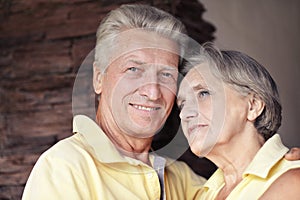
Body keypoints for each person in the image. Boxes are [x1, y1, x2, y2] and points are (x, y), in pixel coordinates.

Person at [22, 4, 300, 200]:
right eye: (134, 69)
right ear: (98, 78)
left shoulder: (188, 183)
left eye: (166, 74)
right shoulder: (64, 168)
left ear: (253, 105)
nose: (153, 93)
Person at [177, 45, 300, 199]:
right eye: (182, 104)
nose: (184, 114)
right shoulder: (203, 194)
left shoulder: (294, 176)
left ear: (253, 106)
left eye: (203, 93)